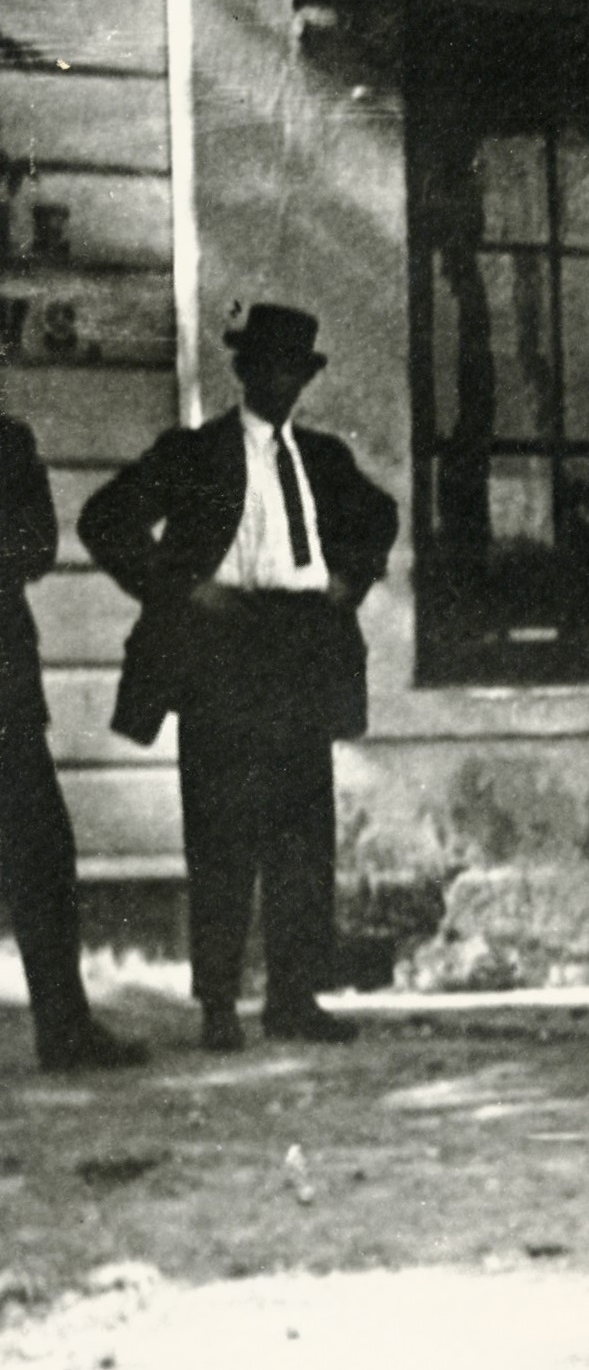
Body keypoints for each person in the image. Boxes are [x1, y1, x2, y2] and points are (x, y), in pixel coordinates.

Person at [81, 305, 397, 1052]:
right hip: (222, 650)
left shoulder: (321, 458)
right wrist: (181, 587)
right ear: (244, 371)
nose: (281, 382)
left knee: (301, 833)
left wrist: (349, 580)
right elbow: (104, 518)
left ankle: (294, 996)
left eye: (295, 370)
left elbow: (379, 516)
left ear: (304, 378)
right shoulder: (194, 454)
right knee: (221, 831)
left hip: (300, 649)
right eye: (268, 368)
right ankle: (219, 1002)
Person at [0, 402, 143, 1072]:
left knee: (42, 855)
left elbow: (36, 547)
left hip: (5, 690)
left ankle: (64, 1028)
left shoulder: (9, 440)